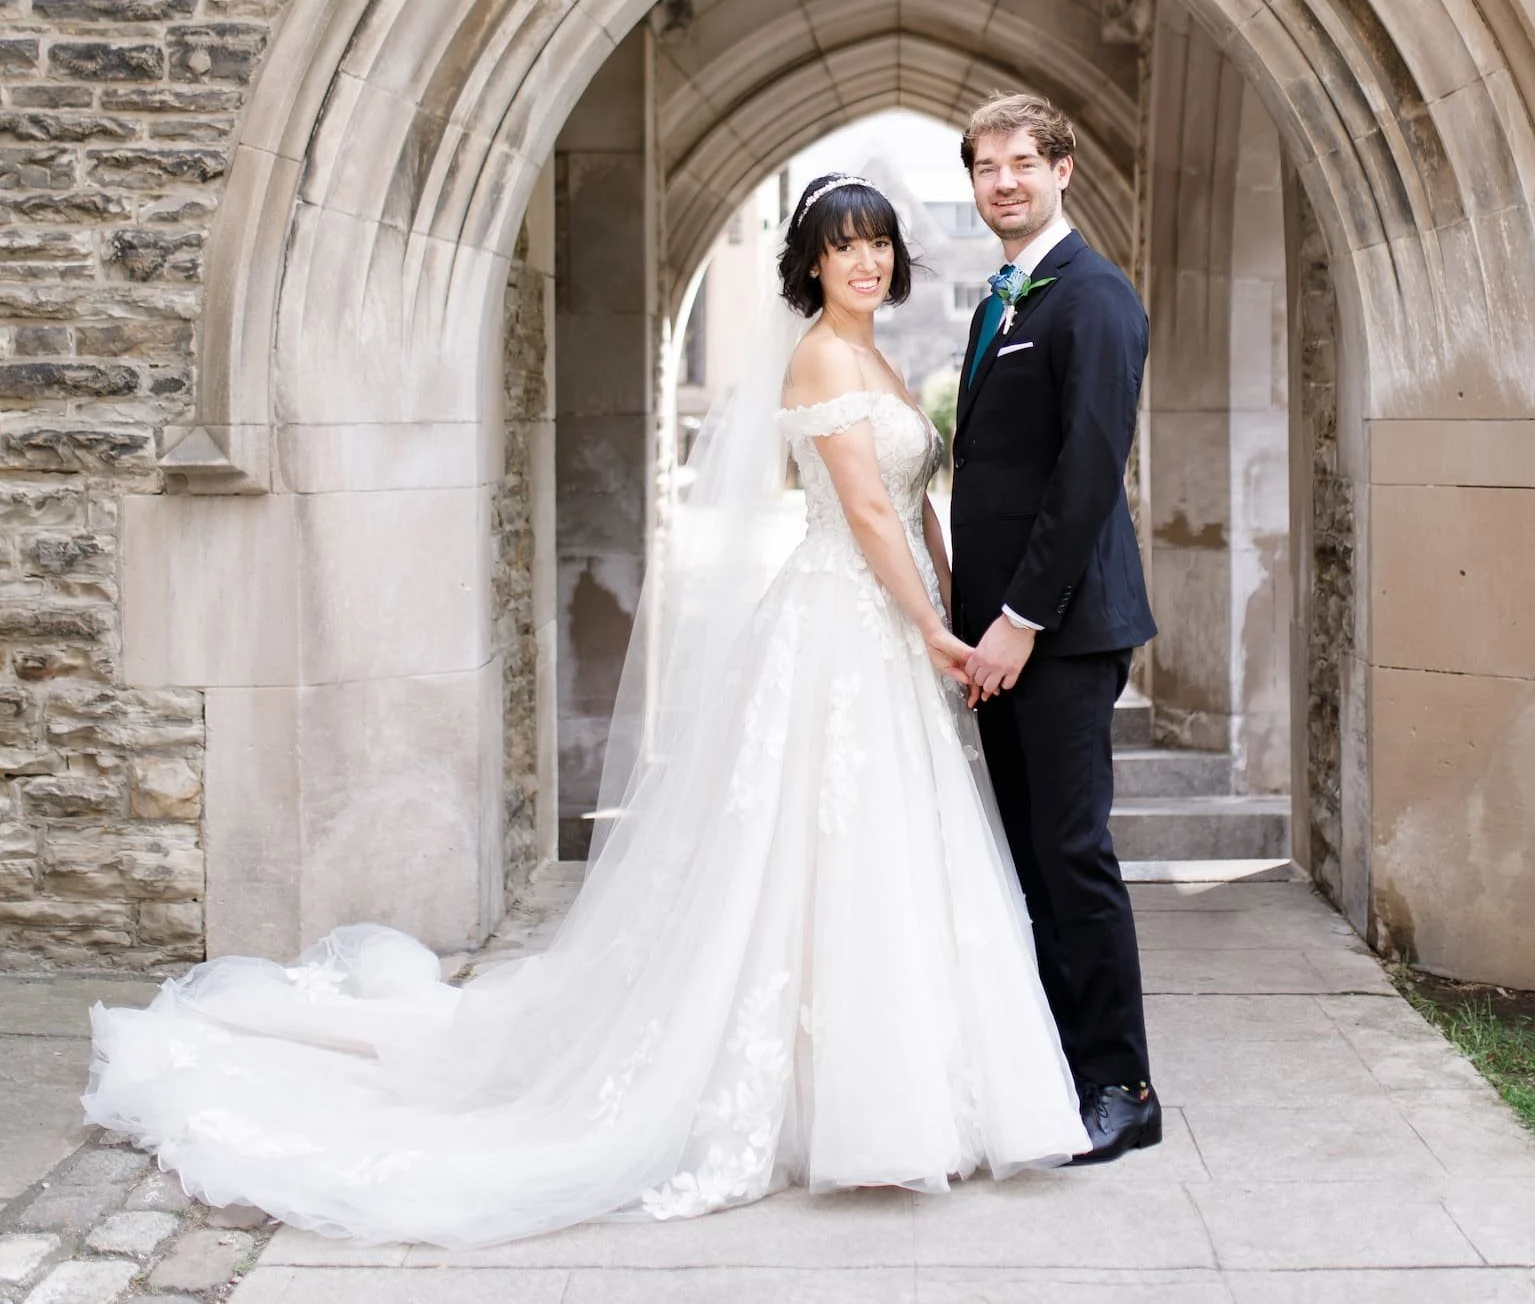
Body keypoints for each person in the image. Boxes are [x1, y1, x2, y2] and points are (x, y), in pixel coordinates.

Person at [81, 172, 1085, 1245]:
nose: (866, 262)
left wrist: (951, 601)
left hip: (888, 628)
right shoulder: (820, 357)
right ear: (811, 261)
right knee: (815, 844)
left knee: (887, 850)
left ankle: (905, 1086)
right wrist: (930, 628)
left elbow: (918, 501)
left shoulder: (879, 354)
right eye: (844, 246)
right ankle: (837, 1107)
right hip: (841, 628)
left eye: (879, 244)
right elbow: (867, 512)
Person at [950, 93, 1161, 1165]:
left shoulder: (1094, 298)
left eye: (1022, 162)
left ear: (1062, 169)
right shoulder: (998, 300)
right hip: (994, 638)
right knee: (1030, 860)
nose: (1003, 182)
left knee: (1072, 855)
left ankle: (1123, 1087)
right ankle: (1060, 1072)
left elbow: (1084, 476)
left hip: (1058, 634)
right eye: (985, 166)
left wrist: (1020, 621)